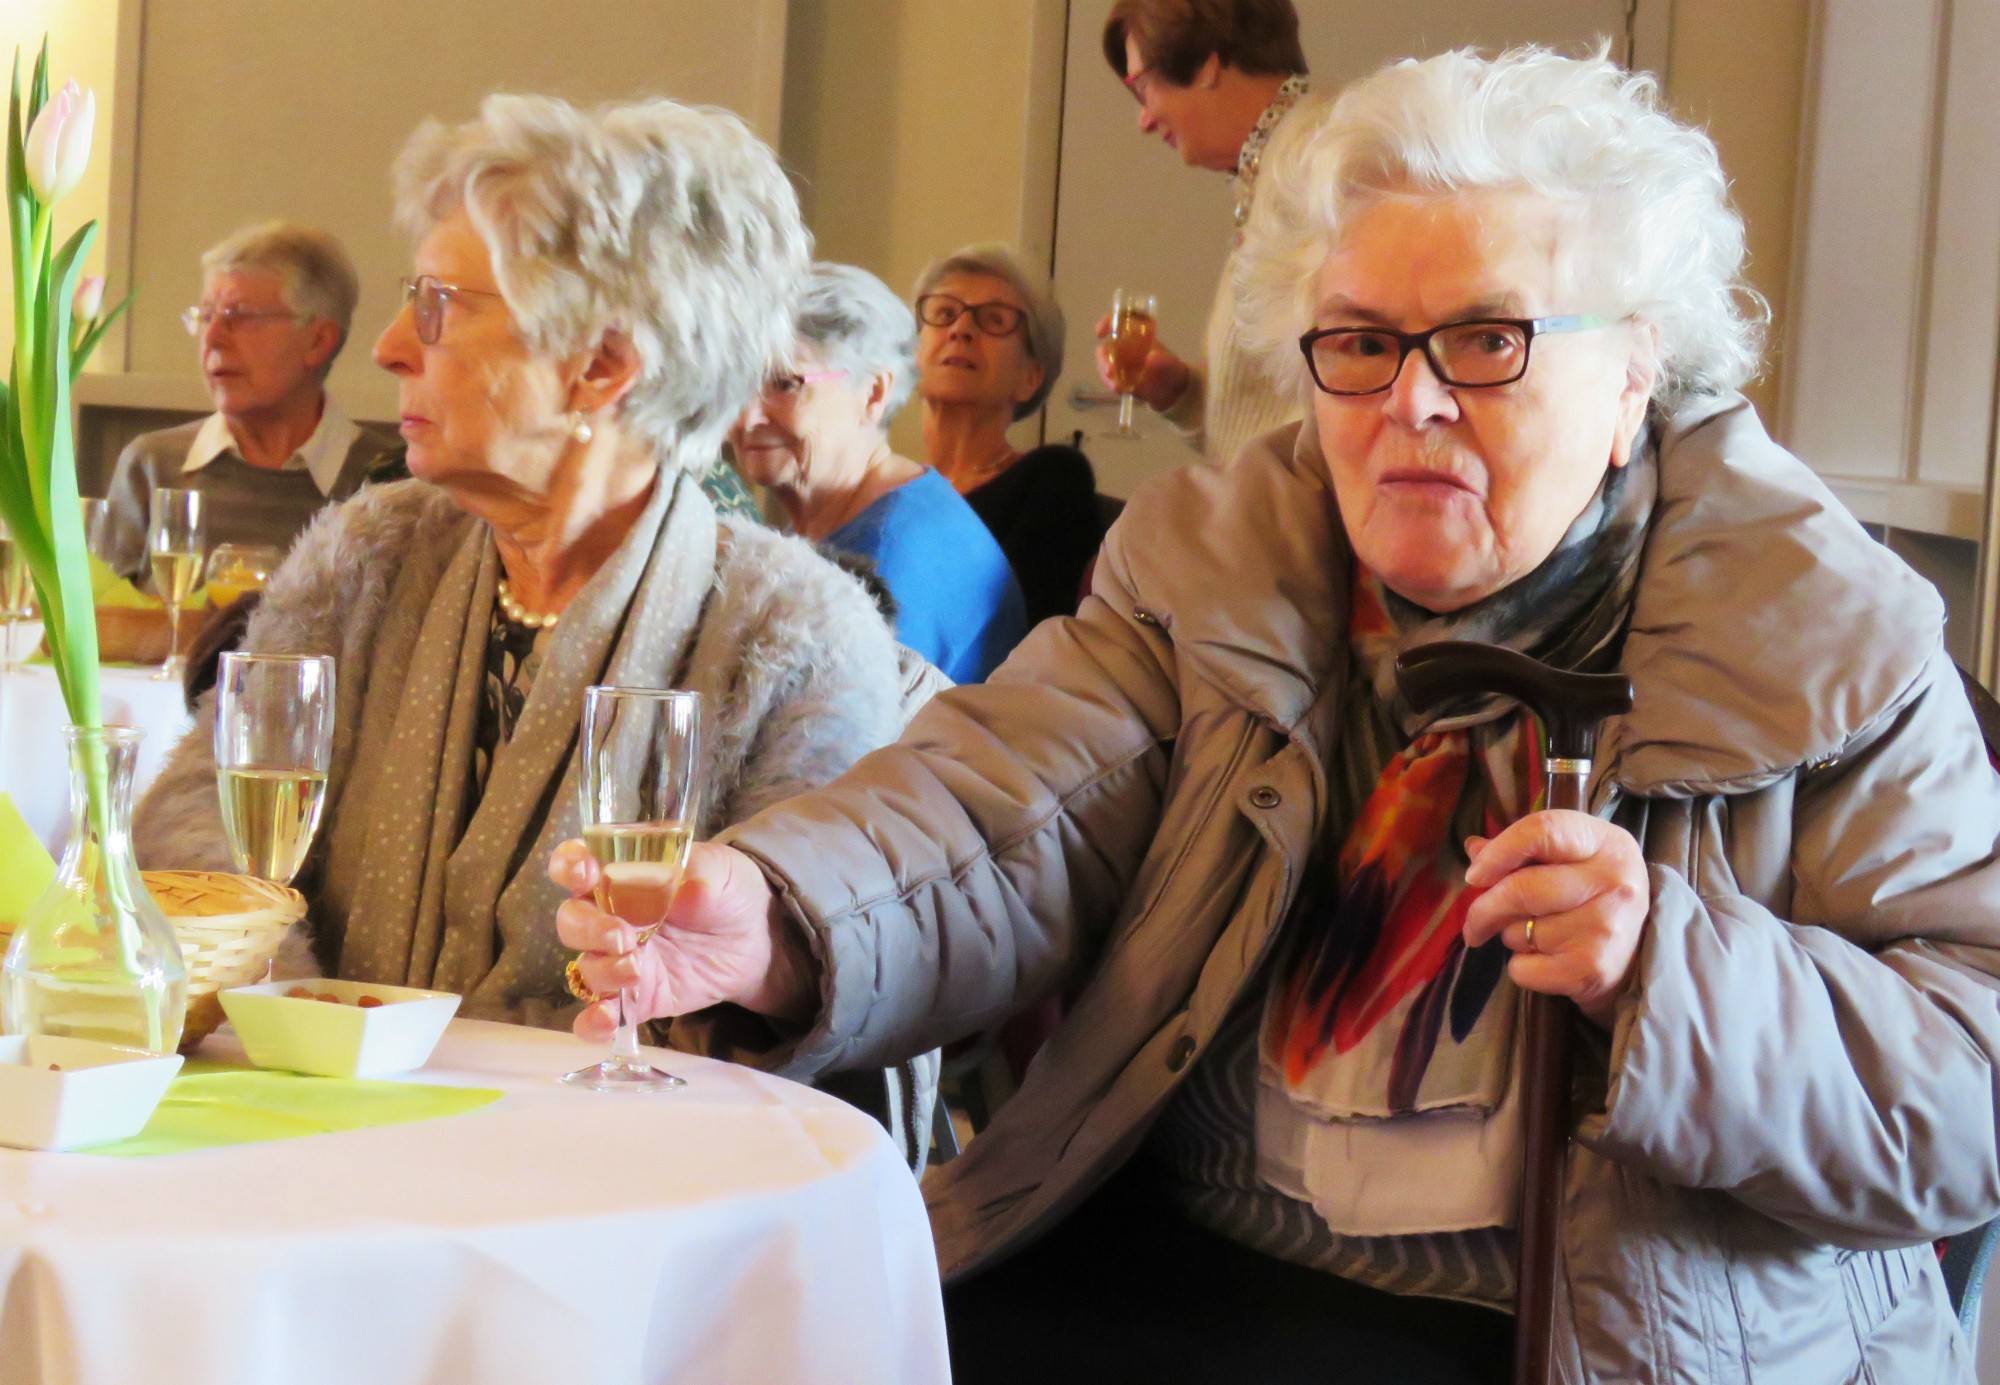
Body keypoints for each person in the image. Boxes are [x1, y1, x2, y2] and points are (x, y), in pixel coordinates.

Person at [555, 47, 2000, 1383]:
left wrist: (1667, 974)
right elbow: (1003, 800)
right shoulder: (1229, 563)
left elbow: (1972, 1087)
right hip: (1187, 1262)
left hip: (1603, 1327)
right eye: (1360, 343)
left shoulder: (1815, 631)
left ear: (1633, 375)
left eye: (1486, 340)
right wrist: (782, 905)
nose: (1411, 404)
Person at [133, 96, 914, 1046]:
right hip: (314, 1116)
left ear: (599, 367)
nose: (386, 347)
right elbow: (195, 821)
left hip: (615, 1167)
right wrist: (317, 1033)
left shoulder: (793, 640)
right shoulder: (366, 554)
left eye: (435, 306)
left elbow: (787, 995)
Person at [729, 262, 1026, 684]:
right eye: (741, 383)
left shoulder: (883, 564)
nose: (748, 416)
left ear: (873, 393)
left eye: (784, 383)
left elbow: (838, 743)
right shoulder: (894, 505)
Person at [101, 221, 397, 579]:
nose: (212, 338)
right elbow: (104, 622)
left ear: (318, 341)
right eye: (206, 317)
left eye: (239, 318)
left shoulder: (385, 482)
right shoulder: (151, 466)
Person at [1094, 0, 1309, 469]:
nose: (1144, 120)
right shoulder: (1273, 165)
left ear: (1207, 62)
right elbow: (1265, 418)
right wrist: (1181, 394)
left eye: (1142, 88)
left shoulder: (1321, 159)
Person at [915, 243, 1102, 625]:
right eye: (945, 313)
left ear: (1028, 378)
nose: (960, 329)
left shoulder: (1051, 480)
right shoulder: (885, 487)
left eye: (994, 320)